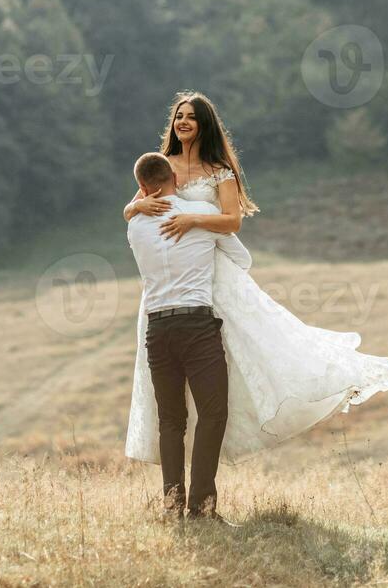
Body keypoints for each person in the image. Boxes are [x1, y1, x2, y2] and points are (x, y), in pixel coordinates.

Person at [123, 93, 388, 518]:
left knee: (221, 384)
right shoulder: (163, 167)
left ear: (205, 125)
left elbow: (231, 221)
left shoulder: (218, 173)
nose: (183, 122)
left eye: (191, 118)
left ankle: (184, 503)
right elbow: (137, 208)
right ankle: (194, 505)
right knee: (190, 408)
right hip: (178, 291)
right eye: (178, 116)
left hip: (202, 280)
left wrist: (195, 218)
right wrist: (135, 205)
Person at [125, 150, 249, 522]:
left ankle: (172, 506)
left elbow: (133, 216)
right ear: (175, 179)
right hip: (196, 324)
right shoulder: (207, 217)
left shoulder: (134, 226)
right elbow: (242, 260)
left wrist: (134, 209)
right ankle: (201, 507)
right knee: (212, 414)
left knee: (170, 420)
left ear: (142, 188)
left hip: (157, 329)